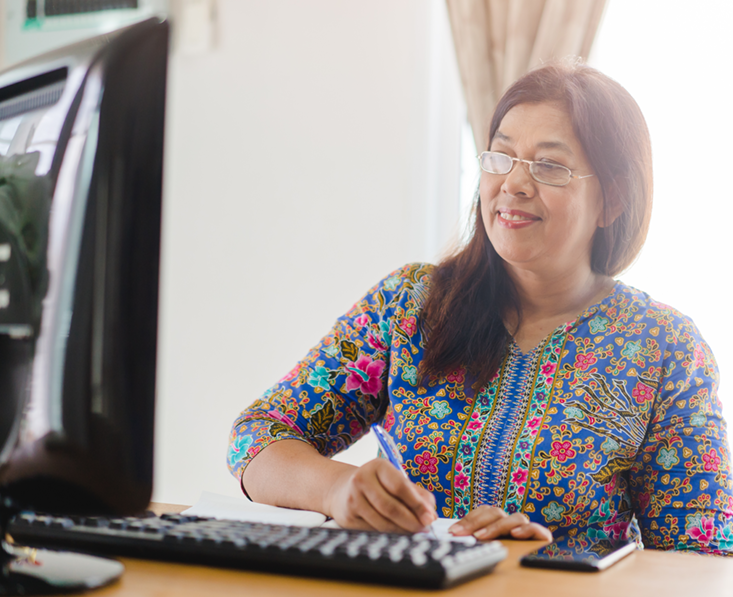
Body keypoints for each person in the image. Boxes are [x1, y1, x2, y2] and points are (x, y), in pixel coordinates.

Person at [227, 61, 733, 553]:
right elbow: (256, 437)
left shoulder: (666, 348)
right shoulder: (409, 304)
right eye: (501, 156)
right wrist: (338, 490)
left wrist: (547, 558)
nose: (512, 183)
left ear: (614, 199)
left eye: (550, 166)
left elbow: (700, 555)